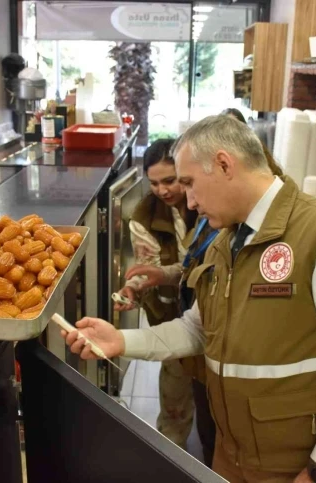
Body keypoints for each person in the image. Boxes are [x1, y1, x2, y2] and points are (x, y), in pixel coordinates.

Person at [63, 115, 316, 483]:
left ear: (223, 164)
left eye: (189, 183)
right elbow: (197, 331)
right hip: (229, 453)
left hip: (295, 466)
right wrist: (121, 340)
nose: (189, 200)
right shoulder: (225, 241)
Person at [115, 138, 199, 452]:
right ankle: (172, 453)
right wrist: (132, 289)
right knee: (175, 389)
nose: (163, 191)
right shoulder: (144, 215)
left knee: (212, 391)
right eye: (154, 183)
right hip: (172, 311)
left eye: (170, 181)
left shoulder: (208, 200)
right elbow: (147, 265)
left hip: (215, 305)